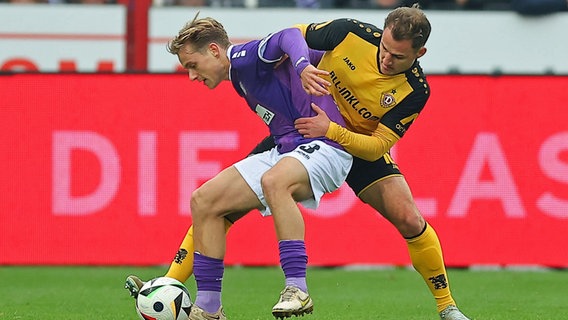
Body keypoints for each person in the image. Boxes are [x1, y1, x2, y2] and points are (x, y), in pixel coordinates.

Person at [127, 5, 471, 320]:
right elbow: (294, 35)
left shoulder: (415, 90)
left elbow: (379, 144)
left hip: (350, 142)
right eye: (384, 48)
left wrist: (333, 129)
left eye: (397, 57)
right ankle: (169, 288)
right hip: (300, 127)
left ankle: (447, 307)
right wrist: (303, 66)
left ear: (418, 53)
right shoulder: (348, 32)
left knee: (409, 218)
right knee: (216, 202)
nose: (386, 60)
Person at [127, 14, 353, 320]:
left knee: (275, 182)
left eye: (193, 65)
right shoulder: (238, 77)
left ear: (215, 51)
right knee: (204, 201)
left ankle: (297, 289)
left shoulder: (245, 58)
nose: (192, 76)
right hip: (289, 150)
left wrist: (302, 67)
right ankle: (208, 309)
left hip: (328, 148)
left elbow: (288, 34)